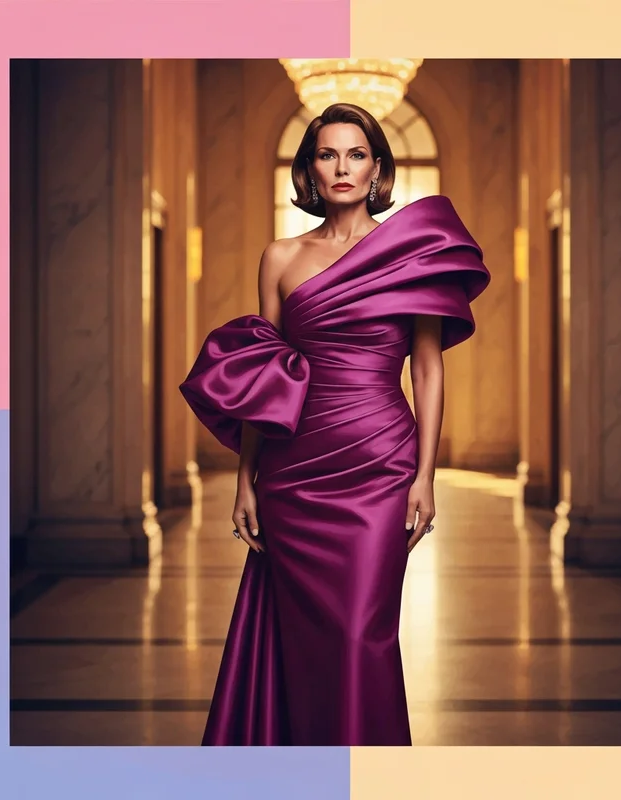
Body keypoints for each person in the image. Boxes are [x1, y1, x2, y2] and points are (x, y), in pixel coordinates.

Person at [180, 102, 490, 746]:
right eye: (328, 154)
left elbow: (428, 373)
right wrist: (247, 479)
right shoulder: (280, 257)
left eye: (356, 154)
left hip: (381, 463)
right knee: (296, 632)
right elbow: (263, 374)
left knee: (360, 634)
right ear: (310, 170)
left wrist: (425, 477)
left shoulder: (412, 254)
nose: (342, 167)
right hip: (293, 468)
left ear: (377, 167)